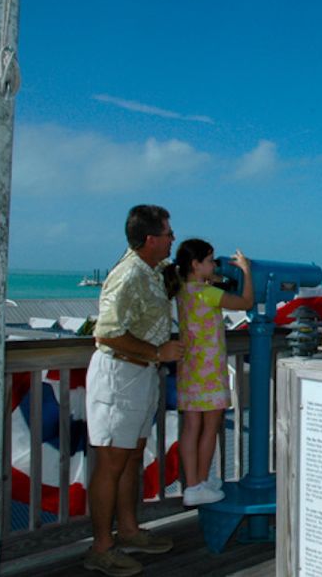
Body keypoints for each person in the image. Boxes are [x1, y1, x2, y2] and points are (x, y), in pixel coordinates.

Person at [84, 205, 184, 577]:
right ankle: (101, 547)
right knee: (111, 462)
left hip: (141, 374)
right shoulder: (127, 276)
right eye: (169, 233)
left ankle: (127, 530)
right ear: (151, 239)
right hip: (119, 374)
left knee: (131, 456)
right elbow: (106, 333)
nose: (173, 238)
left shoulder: (151, 272)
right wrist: (158, 352)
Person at [168, 239, 254, 506]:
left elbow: (209, 283)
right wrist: (247, 270)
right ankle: (202, 481)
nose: (214, 264)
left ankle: (192, 485)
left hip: (189, 368)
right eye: (209, 260)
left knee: (192, 427)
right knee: (210, 427)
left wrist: (213, 275)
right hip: (211, 370)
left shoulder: (184, 290)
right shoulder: (209, 294)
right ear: (196, 264)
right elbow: (246, 301)